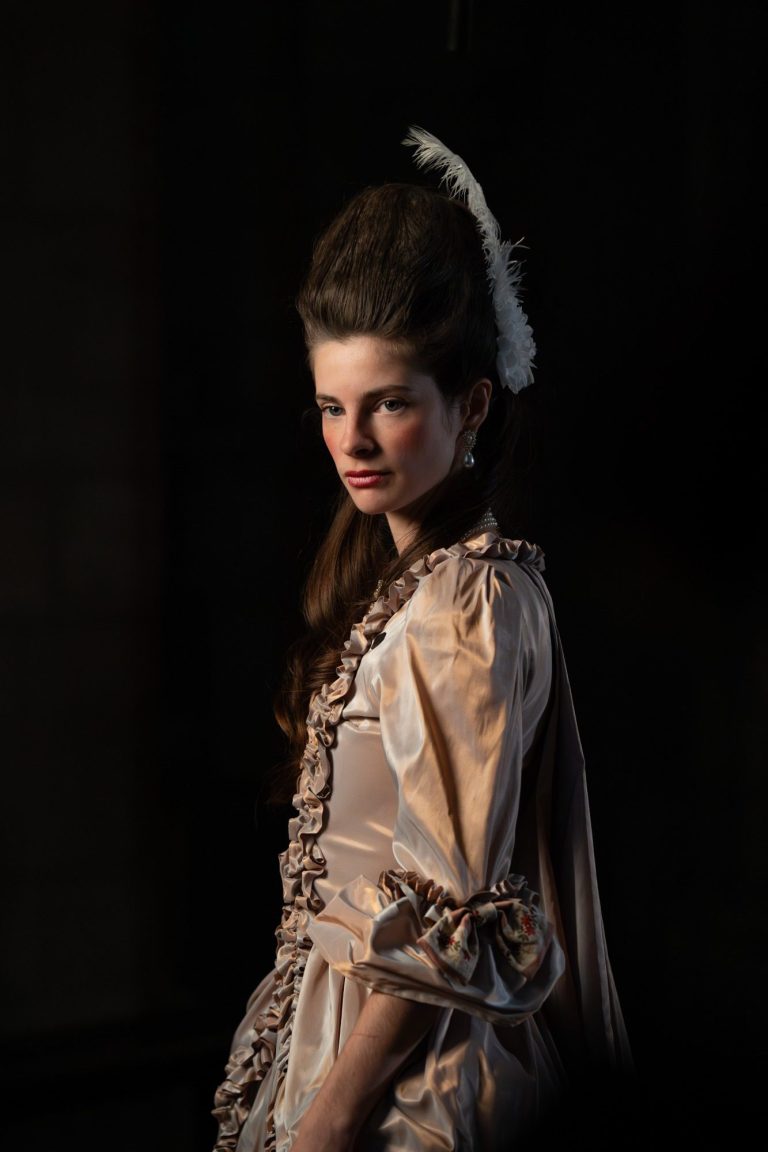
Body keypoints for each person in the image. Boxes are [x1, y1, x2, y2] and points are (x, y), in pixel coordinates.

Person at [211, 127, 634, 1152]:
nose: (350, 442)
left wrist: (332, 1119)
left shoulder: (468, 604)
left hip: (407, 1082)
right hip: (337, 1037)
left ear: (471, 404)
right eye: (331, 406)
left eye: (389, 403)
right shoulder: (407, 586)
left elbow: (455, 907)